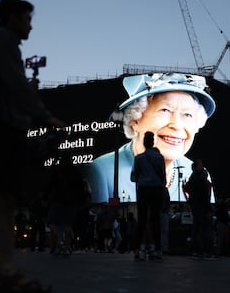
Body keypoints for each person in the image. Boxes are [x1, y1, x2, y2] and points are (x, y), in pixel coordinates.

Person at [0, 0, 64, 292]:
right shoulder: (4, 40)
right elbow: (15, 86)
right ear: (12, 18)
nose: (30, 24)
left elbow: (10, 87)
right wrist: (45, 116)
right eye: (27, 18)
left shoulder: (0, 45)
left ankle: (6, 270)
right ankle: (5, 271)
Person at [84, 73, 216, 204]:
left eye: (187, 114)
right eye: (165, 110)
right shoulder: (101, 171)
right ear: (135, 120)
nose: (177, 125)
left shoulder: (195, 172)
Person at [131, 131, 166, 260]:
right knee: (155, 220)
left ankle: (137, 249)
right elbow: (163, 177)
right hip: (156, 189)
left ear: (144, 142)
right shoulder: (159, 157)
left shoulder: (139, 158)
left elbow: (133, 177)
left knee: (142, 219)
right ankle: (156, 249)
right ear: (153, 142)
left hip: (143, 189)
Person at [183, 158, 213, 258]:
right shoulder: (201, 178)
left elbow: (186, 188)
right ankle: (205, 250)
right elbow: (205, 195)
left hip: (196, 206)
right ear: (196, 168)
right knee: (204, 229)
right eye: (200, 165)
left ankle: (197, 249)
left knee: (197, 228)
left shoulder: (193, 179)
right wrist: (209, 208)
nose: (203, 167)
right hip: (202, 206)